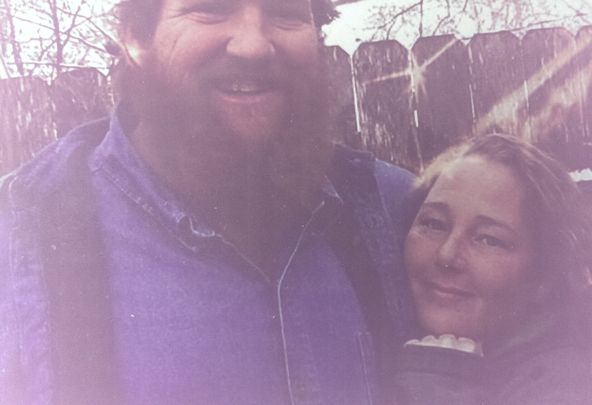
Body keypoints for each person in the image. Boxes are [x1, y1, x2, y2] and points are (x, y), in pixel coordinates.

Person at [0, 0, 415, 403]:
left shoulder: (399, 216)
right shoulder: (20, 244)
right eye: (211, 9)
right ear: (135, 37)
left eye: (286, 13)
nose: (253, 45)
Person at [394, 134, 592, 404]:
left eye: (488, 239)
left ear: (545, 275)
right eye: (434, 223)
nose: (447, 255)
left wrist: (441, 388)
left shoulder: (571, 388)